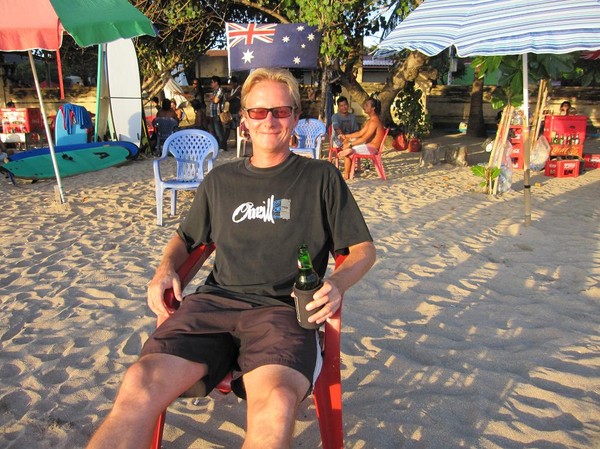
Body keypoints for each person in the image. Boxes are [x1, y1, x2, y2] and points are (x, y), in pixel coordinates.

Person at [85, 67, 376, 449]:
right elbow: (186, 239)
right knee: (139, 385)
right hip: (211, 306)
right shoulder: (220, 182)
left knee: (275, 403)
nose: (269, 120)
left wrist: (336, 284)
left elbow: (363, 250)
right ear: (244, 121)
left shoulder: (320, 177)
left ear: (296, 116)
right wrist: (164, 269)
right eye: (258, 112)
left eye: (281, 111)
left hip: (283, 312)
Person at [336, 97, 386, 180]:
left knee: (348, 151)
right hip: (368, 146)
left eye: (367, 105)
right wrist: (346, 136)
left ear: (373, 108)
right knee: (347, 144)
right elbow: (360, 133)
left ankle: (346, 175)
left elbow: (364, 138)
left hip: (372, 149)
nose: (364, 107)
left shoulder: (374, 122)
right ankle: (349, 151)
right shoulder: (371, 120)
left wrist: (350, 144)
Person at [208, 75, 228, 151]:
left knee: (219, 130)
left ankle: (223, 146)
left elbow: (216, 100)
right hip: (212, 113)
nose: (211, 84)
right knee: (214, 131)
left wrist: (212, 97)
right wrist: (212, 97)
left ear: (216, 82)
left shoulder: (220, 90)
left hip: (218, 113)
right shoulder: (214, 91)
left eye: (212, 82)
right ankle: (217, 145)